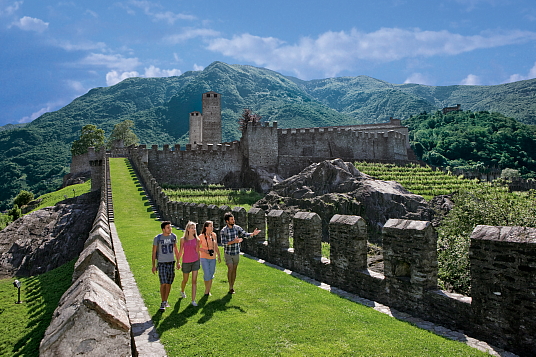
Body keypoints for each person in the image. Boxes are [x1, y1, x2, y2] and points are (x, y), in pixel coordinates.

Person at [220, 212, 261, 294]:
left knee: (234, 269)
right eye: (231, 219)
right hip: (228, 253)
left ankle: (232, 286)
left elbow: (245, 234)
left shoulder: (237, 228)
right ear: (227, 221)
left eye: (233, 219)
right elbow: (223, 243)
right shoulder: (223, 231)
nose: (233, 221)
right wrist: (234, 241)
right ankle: (230, 286)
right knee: (230, 268)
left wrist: (253, 234)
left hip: (236, 252)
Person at [152, 221, 180, 312]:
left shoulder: (173, 237)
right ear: (163, 229)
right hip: (162, 263)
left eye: (170, 227)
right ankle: (163, 301)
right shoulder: (158, 238)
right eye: (168, 227)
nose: (170, 229)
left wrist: (178, 262)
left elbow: (176, 250)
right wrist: (153, 265)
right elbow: (154, 252)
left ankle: (165, 300)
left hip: (171, 262)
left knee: (168, 283)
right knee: (163, 283)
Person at [177, 221, 201, 306]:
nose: (193, 229)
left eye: (194, 228)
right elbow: (180, 251)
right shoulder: (183, 240)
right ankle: (182, 290)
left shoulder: (197, 240)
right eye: (192, 228)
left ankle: (193, 300)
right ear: (188, 229)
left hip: (195, 261)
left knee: (194, 281)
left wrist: (199, 260)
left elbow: (198, 251)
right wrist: (178, 262)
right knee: (185, 280)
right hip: (186, 262)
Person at [199, 221, 221, 296]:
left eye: (212, 226)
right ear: (206, 227)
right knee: (207, 273)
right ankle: (207, 290)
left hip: (213, 257)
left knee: (211, 273)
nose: (212, 227)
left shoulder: (214, 235)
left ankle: (208, 290)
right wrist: (205, 250)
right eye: (211, 226)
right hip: (204, 257)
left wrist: (219, 255)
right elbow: (197, 247)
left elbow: (216, 245)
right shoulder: (201, 236)